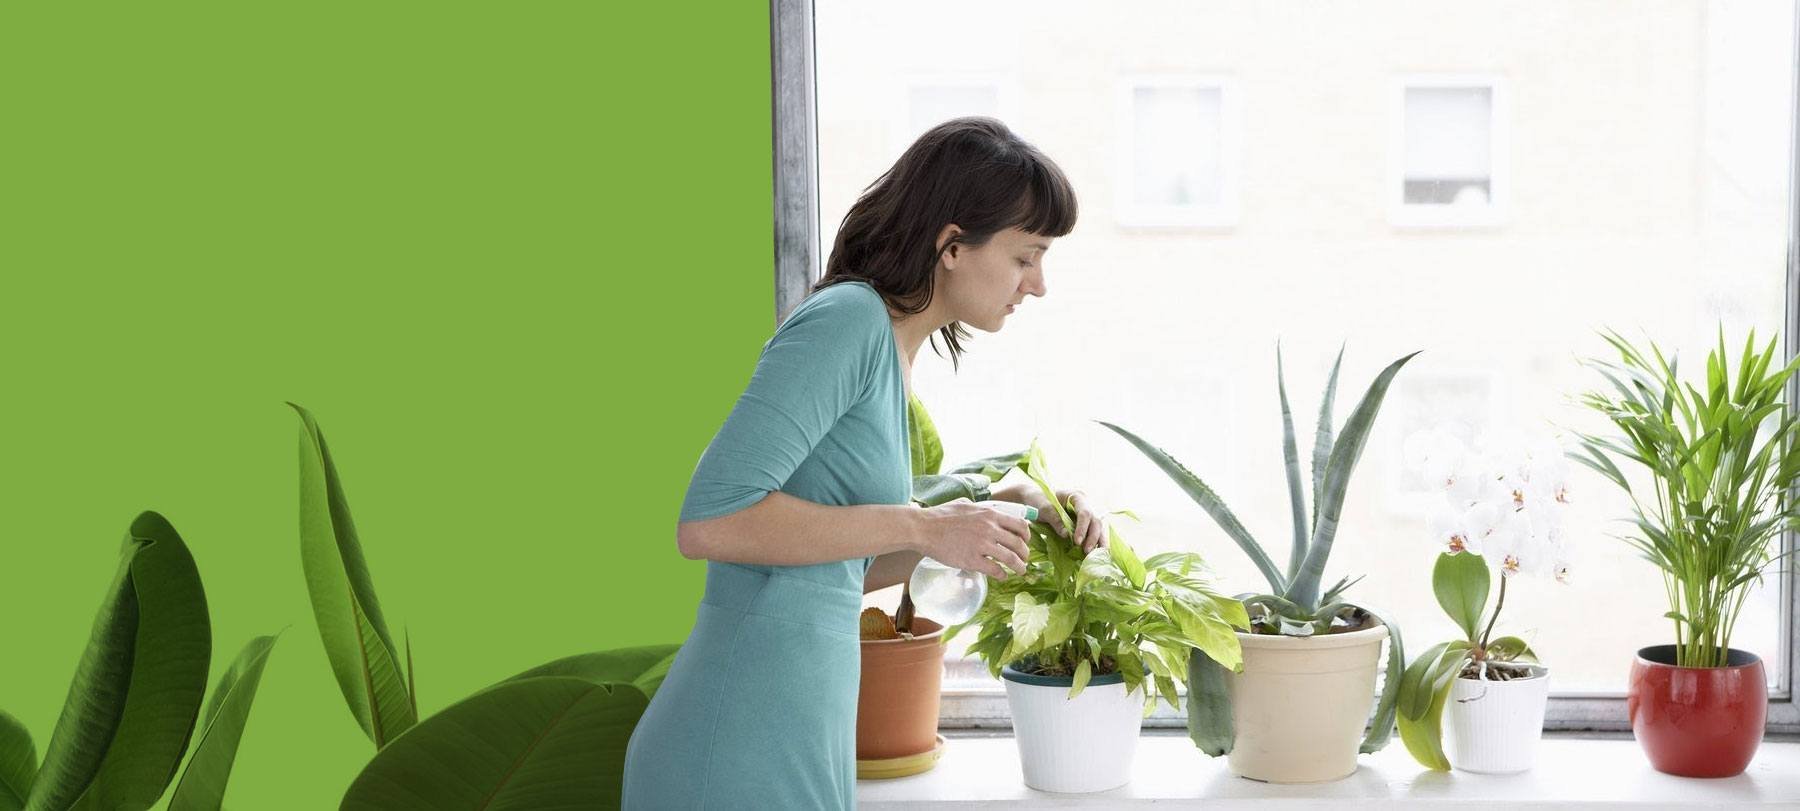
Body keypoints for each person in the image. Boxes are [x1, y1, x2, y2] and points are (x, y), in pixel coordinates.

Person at [622, 117, 1106, 808]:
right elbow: (710, 522)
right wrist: (924, 524)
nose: (1038, 284)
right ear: (952, 245)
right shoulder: (847, 321)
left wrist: (1007, 515)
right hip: (733, 740)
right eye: (1027, 256)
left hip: (796, 727)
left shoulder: (890, 350)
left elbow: (836, 566)